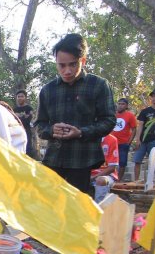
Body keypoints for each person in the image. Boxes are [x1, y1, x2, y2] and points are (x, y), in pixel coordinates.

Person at [36, 33, 116, 194]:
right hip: (53, 158)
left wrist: (81, 132)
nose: (67, 71)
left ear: (83, 61)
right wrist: (52, 130)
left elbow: (108, 120)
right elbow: (39, 125)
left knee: (77, 208)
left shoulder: (98, 85)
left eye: (72, 65)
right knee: (47, 204)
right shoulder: (48, 90)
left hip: (82, 159)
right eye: (61, 65)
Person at [131, 88, 155, 181]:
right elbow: (140, 125)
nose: (153, 98)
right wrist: (138, 139)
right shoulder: (145, 111)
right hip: (143, 140)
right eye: (152, 96)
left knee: (152, 162)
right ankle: (136, 181)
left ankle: (149, 181)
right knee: (137, 160)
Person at [110, 97, 136, 181]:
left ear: (126, 106)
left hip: (123, 143)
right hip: (112, 143)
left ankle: (118, 180)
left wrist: (129, 142)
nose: (120, 106)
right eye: (119, 103)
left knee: (122, 162)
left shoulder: (130, 115)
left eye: (123, 104)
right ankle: (110, 178)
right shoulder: (112, 114)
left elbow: (134, 129)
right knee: (109, 162)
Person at [91, 132, 119, 202]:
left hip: (107, 175)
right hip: (87, 173)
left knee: (100, 180)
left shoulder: (112, 140)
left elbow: (112, 168)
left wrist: (93, 177)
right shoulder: (84, 138)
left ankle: (100, 209)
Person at [13, 89, 35, 157]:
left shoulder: (29, 108)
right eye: (18, 96)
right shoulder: (14, 109)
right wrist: (23, 117)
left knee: (28, 151)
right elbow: (13, 121)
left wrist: (18, 117)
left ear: (25, 98)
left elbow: (28, 120)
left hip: (27, 132)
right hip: (17, 133)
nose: (20, 98)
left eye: (22, 96)